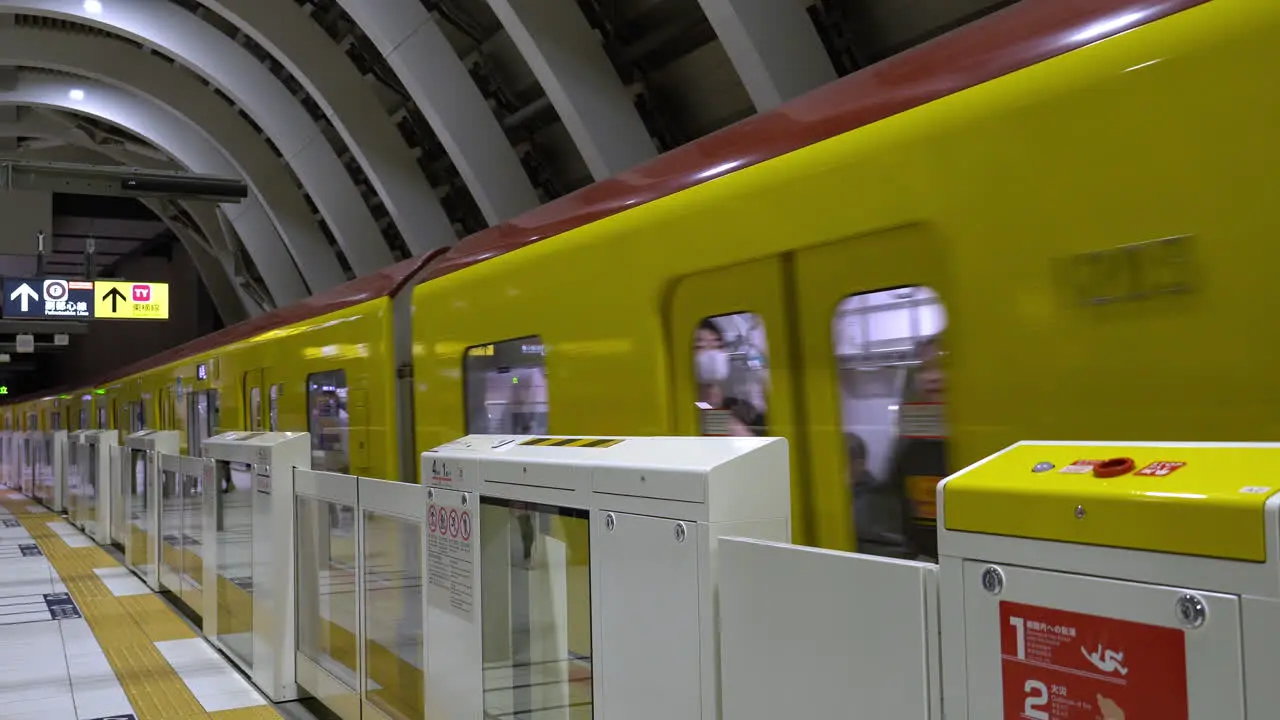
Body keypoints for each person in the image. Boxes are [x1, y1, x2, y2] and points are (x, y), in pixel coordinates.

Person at [884, 335, 949, 559]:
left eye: (943, 367)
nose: (934, 378)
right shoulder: (910, 448)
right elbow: (892, 510)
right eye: (926, 369)